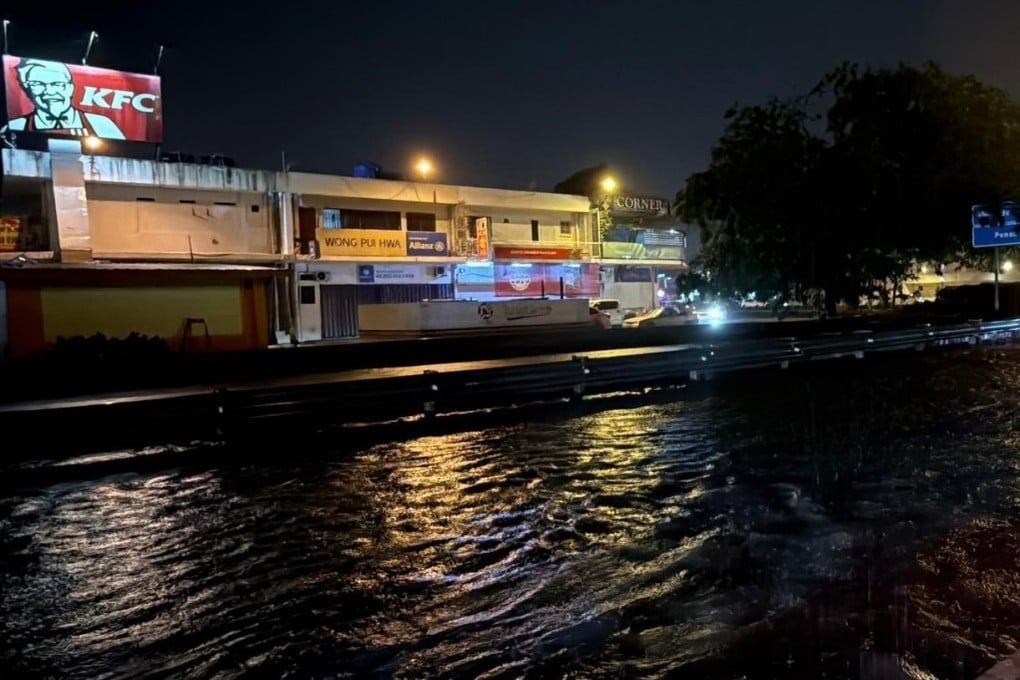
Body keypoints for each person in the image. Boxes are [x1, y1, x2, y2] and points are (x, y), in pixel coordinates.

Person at [2, 58, 125, 139]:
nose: (49, 92)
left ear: (70, 88)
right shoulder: (15, 126)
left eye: (57, 84)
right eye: (37, 84)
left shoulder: (101, 125)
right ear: (27, 90)